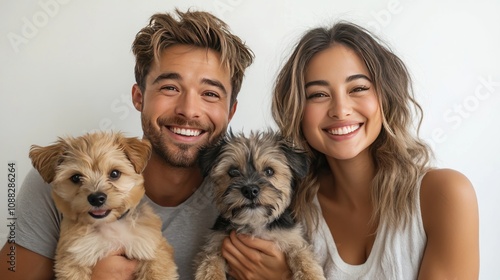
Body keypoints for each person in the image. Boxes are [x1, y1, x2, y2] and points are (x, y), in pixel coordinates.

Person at [0, 9, 291, 280]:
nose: (189, 110)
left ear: (230, 111)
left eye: (210, 94)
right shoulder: (57, 180)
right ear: (138, 96)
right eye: (170, 88)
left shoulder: (259, 194)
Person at [271, 21, 480, 279]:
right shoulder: (284, 207)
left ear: (386, 97)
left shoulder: (445, 194)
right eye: (318, 94)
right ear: (297, 111)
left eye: (358, 88)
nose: (340, 109)